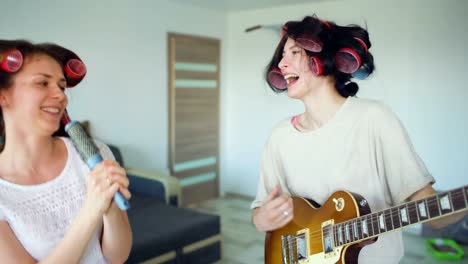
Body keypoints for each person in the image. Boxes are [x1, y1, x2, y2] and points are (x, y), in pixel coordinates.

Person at [251, 15, 466, 263]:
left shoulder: (374, 118)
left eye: (294, 52)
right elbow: (260, 208)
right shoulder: (279, 137)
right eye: (282, 55)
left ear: (323, 59)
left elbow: (431, 210)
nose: (281, 63)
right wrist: (260, 219)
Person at [0, 40, 132, 263]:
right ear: (3, 96)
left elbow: (116, 258)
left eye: (61, 86)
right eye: (42, 83)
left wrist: (109, 208)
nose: (61, 96)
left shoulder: (95, 153)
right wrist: (92, 209)